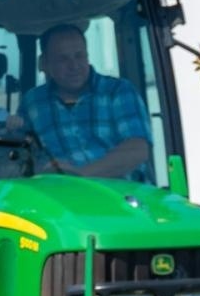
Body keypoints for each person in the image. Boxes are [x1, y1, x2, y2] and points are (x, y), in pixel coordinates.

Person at [17, 23, 152, 180]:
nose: (74, 66)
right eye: (63, 59)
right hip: (56, 192)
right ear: (44, 63)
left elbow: (137, 150)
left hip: (122, 192)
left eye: (79, 55)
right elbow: (20, 155)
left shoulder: (118, 91)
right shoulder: (32, 102)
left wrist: (80, 176)